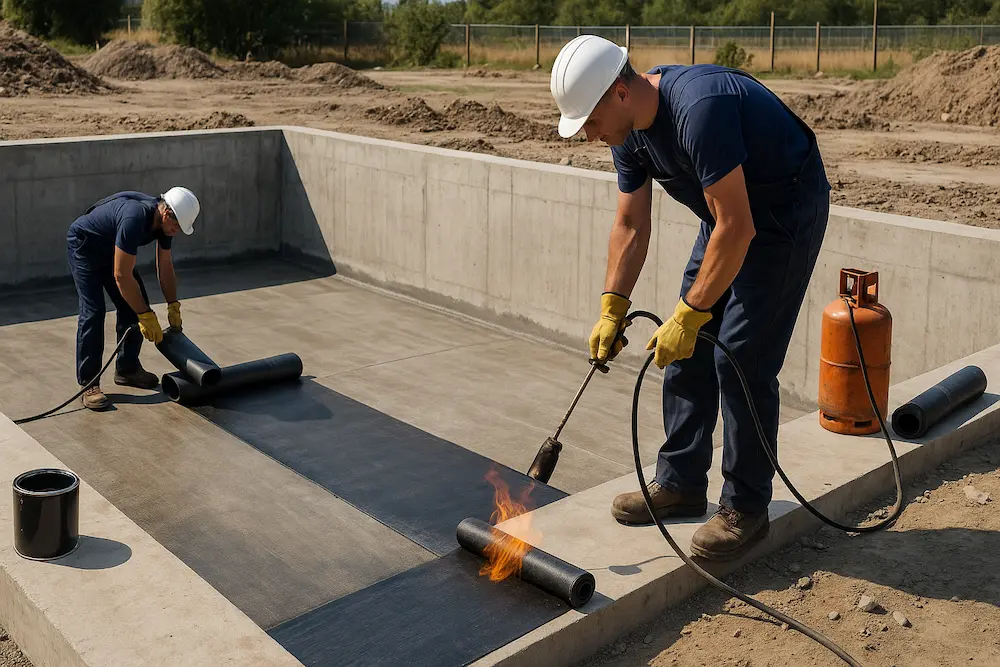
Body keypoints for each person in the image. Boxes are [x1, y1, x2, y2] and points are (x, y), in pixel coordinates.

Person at [550, 35, 831, 561]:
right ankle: (680, 483)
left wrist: (691, 312)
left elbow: (741, 227)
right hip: (726, 215)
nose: (588, 134)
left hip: (784, 214)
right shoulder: (627, 133)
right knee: (684, 344)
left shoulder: (699, 109)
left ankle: (745, 507)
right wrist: (613, 305)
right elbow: (631, 223)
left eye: (588, 120)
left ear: (618, 92)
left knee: (743, 356)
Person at [66, 187, 201, 410]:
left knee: (133, 305)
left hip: (111, 247)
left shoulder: (164, 225)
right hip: (85, 247)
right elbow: (121, 275)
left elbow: (165, 266)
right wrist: (145, 315)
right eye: (176, 226)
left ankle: (127, 369)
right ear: (167, 214)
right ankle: (89, 383)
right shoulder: (135, 217)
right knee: (94, 311)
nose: (176, 232)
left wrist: (173, 305)